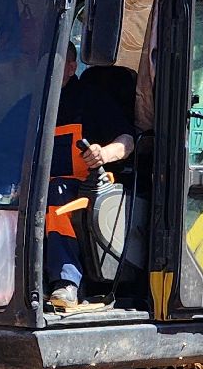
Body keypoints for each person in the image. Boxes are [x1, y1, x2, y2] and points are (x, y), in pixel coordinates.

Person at [45, 41, 136, 309]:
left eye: (57, 63)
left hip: (90, 188)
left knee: (55, 194)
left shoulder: (91, 99)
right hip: (38, 188)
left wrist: (104, 154)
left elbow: (127, 141)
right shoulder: (32, 103)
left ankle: (66, 282)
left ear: (72, 67)